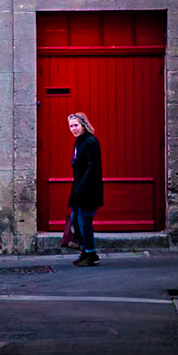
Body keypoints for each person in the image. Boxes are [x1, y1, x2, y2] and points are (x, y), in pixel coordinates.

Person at [67, 112, 103, 266]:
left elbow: (92, 167)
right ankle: (85, 250)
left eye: (76, 125)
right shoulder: (79, 142)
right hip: (79, 189)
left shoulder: (90, 142)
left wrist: (82, 186)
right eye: (71, 126)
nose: (73, 129)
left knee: (84, 221)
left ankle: (90, 253)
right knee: (75, 219)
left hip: (89, 190)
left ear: (83, 125)